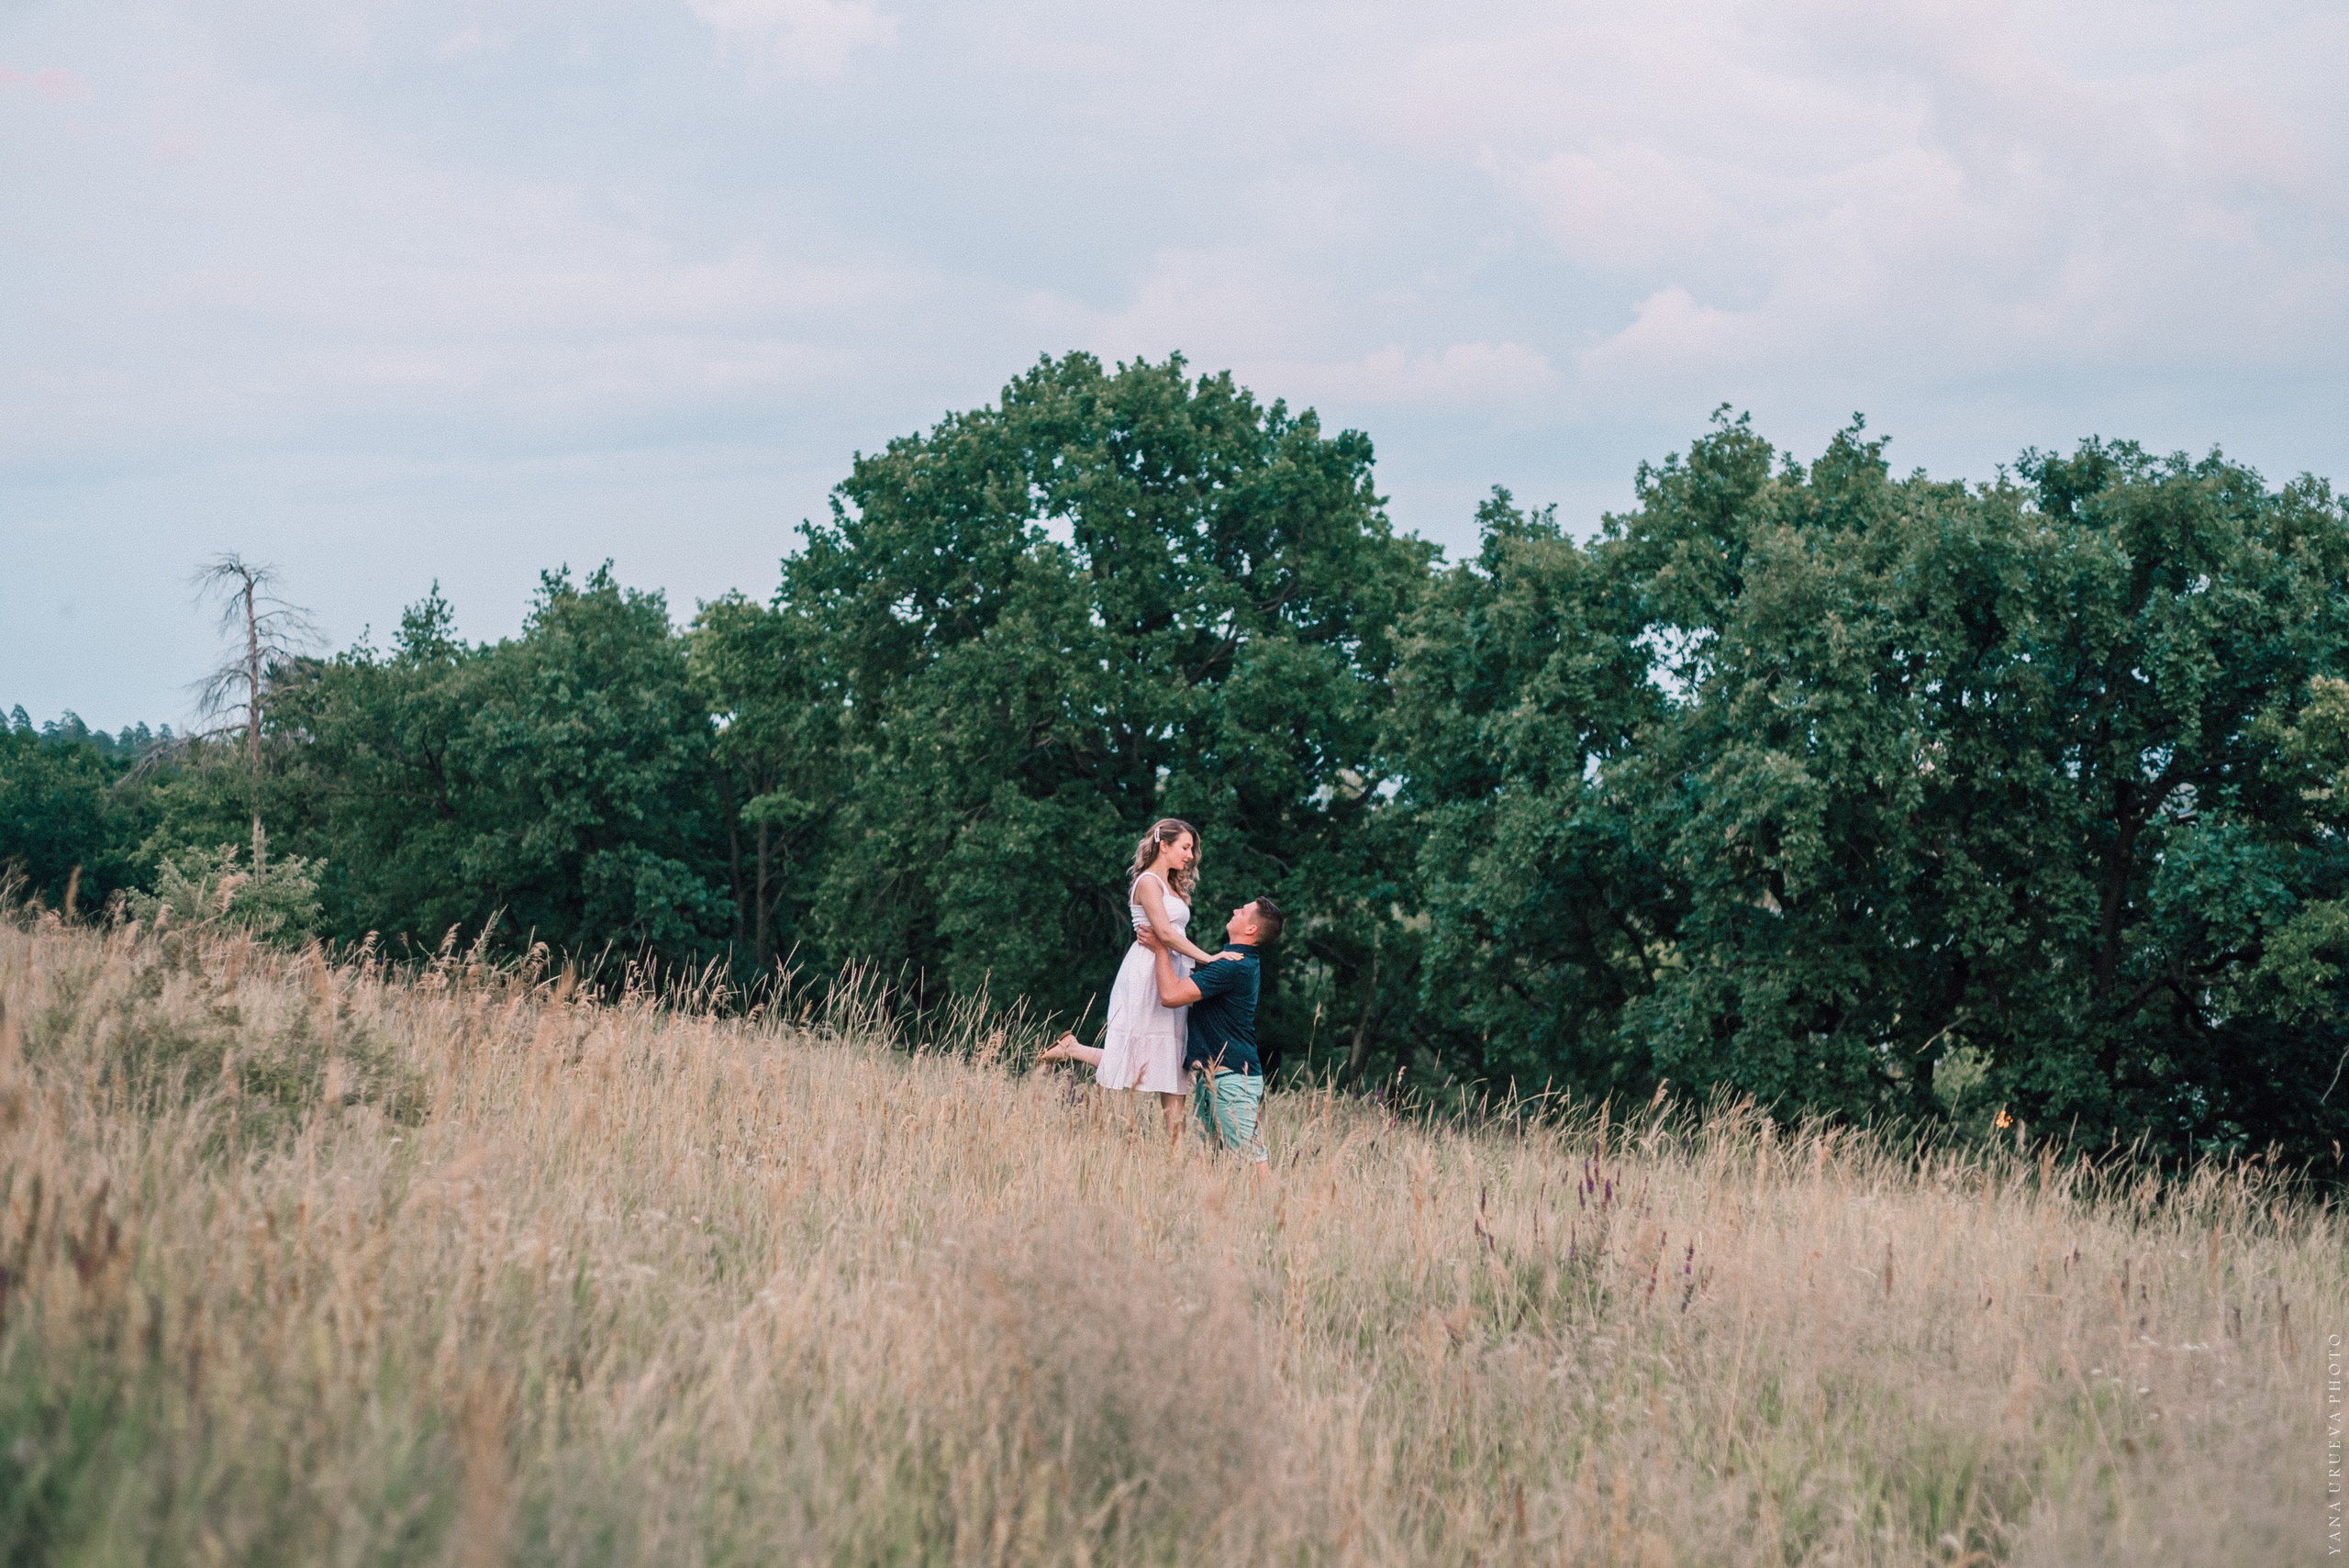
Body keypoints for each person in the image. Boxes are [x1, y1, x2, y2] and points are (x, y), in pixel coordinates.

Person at [1037, 819, 1237, 1140]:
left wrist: (1191, 964)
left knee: (1174, 1056)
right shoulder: (1147, 883)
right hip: (1148, 974)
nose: (1190, 856)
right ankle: (1072, 1049)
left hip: (1173, 970)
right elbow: (1166, 933)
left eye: (1192, 850)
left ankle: (1174, 1151)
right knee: (1134, 1055)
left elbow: (1174, 935)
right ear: (1164, 844)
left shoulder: (1172, 885)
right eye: (1185, 848)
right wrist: (1209, 958)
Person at [1136, 895, 1284, 1163]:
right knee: (1201, 1154)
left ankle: (1268, 1204)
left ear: (1251, 929)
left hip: (1232, 1080)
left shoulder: (1233, 966)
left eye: (1243, 910)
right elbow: (1191, 985)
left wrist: (1160, 950)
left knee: (1250, 1156)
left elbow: (1170, 996)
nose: (1236, 909)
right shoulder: (1239, 963)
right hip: (1214, 1079)